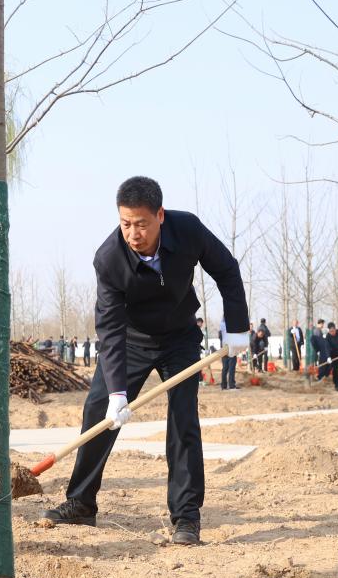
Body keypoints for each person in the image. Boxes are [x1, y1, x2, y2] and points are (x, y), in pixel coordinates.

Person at [41, 176, 249, 546]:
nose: (133, 233)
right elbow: (109, 326)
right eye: (125, 224)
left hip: (179, 337)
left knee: (183, 419)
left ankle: (186, 517)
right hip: (130, 340)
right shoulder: (108, 259)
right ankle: (81, 503)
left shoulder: (188, 229)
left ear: (160, 216)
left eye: (141, 223)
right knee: (98, 413)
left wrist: (237, 328)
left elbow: (227, 270)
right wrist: (117, 392)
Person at [219, 320, 238, 390]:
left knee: (225, 368)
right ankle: (231, 385)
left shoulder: (221, 329)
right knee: (231, 368)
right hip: (231, 349)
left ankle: (223, 386)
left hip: (223, 349)